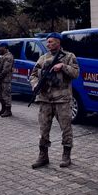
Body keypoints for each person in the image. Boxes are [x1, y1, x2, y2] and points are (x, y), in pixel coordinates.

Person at [29, 32, 79, 169]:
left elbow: (75, 73)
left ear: (58, 42)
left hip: (62, 99)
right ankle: (43, 156)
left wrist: (63, 66)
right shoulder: (43, 57)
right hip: (45, 99)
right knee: (43, 129)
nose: (48, 44)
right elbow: (33, 75)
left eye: (51, 41)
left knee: (66, 128)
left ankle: (66, 155)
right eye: (47, 42)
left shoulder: (69, 56)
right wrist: (34, 85)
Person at [0, 42, 15, 118]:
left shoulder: (9, 57)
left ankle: (8, 110)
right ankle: (3, 109)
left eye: (1, 47)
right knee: (0, 95)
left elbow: (6, 69)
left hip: (5, 79)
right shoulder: (2, 56)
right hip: (0, 78)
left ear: (5, 48)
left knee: (6, 94)